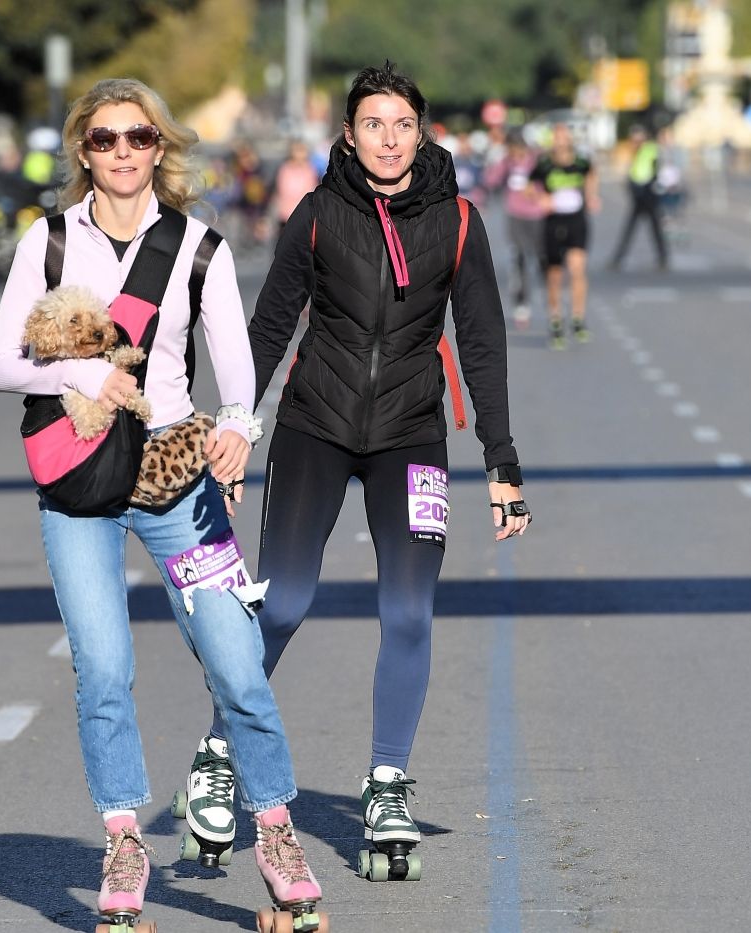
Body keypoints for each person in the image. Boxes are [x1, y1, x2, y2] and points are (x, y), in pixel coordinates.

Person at [0, 78, 324, 931]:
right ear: (82, 151)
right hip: (82, 482)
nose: (123, 153)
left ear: (160, 147)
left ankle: (277, 832)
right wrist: (79, 373)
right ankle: (124, 838)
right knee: (103, 669)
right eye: (104, 140)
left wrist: (241, 425)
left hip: (177, 475)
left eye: (138, 138)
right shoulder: (50, 241)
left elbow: (236, 361)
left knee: (237, 663)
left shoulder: (199, 246)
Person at [191, 61, 532, 880]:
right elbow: (269, 326)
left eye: (402, 124)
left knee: (409, 610)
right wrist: (237, 427)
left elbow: (482, 341)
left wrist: (501, 460)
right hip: (315, 424)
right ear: (349, 135)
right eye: (372, 124)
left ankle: (386, 784)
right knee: (284, 600)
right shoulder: (315, 216)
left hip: (412, 434)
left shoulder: (456, 220)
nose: (388, 138)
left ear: (423, 132)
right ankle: (215, 751)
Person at [529, 123, 600, 349]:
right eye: (556, 137)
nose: (560, 141)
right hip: (554, 222)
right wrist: (541, 200)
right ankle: (556, 319)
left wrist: (591, 196)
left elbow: (591, 174)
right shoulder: (544, 164)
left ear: (570, 139)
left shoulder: (581, 162)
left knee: (578, 268)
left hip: (576, 220)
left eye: (564, 137)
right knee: (555, 273)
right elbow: (528, 186)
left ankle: (578, 318)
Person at [486, 132, 547, 329]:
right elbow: (491, 181)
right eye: (512, 150)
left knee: (541, 258)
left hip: (537, 215)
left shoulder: (536, 161)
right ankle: (521, 304)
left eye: (519, 149)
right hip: (516, 215)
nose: (516, 153)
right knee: (519, 258)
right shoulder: (507, 163)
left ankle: (549, 297)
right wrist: (498, 161)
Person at [606, 123, 668, 272]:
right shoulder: (635, 151)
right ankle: (618, 259)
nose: (634, 141)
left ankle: (662, 258)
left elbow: (655, 169)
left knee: (654, 228)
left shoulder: (650, 149)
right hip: (638, 194)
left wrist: (653, 186)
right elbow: (632, 171)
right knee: (630, 229)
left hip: (648, 193)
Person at [270, 139, 321, 237]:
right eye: (297, 150)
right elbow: (275, 191)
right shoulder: (283, 169)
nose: (299, 154)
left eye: (302, 150)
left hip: (305, 217)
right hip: (285, 216)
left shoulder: (311, 171)